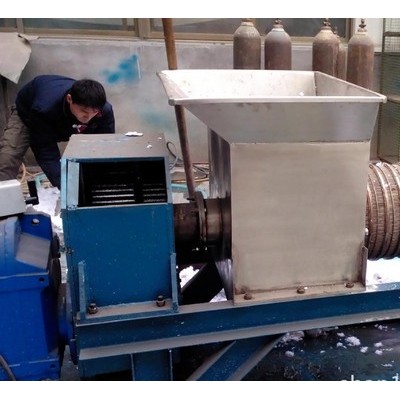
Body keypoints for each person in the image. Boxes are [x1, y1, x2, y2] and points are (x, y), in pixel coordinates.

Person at [0, 74, 115, 189]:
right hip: (28, 114)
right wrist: (65, 186)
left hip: (64, 119)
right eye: (84, 111)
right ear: (69, 99)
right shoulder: (43, 109)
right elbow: (45, 151)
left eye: (94, 112)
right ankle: (5, 196)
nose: (88, 117)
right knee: (8, 158)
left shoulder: (104, 111)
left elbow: (104, 149)